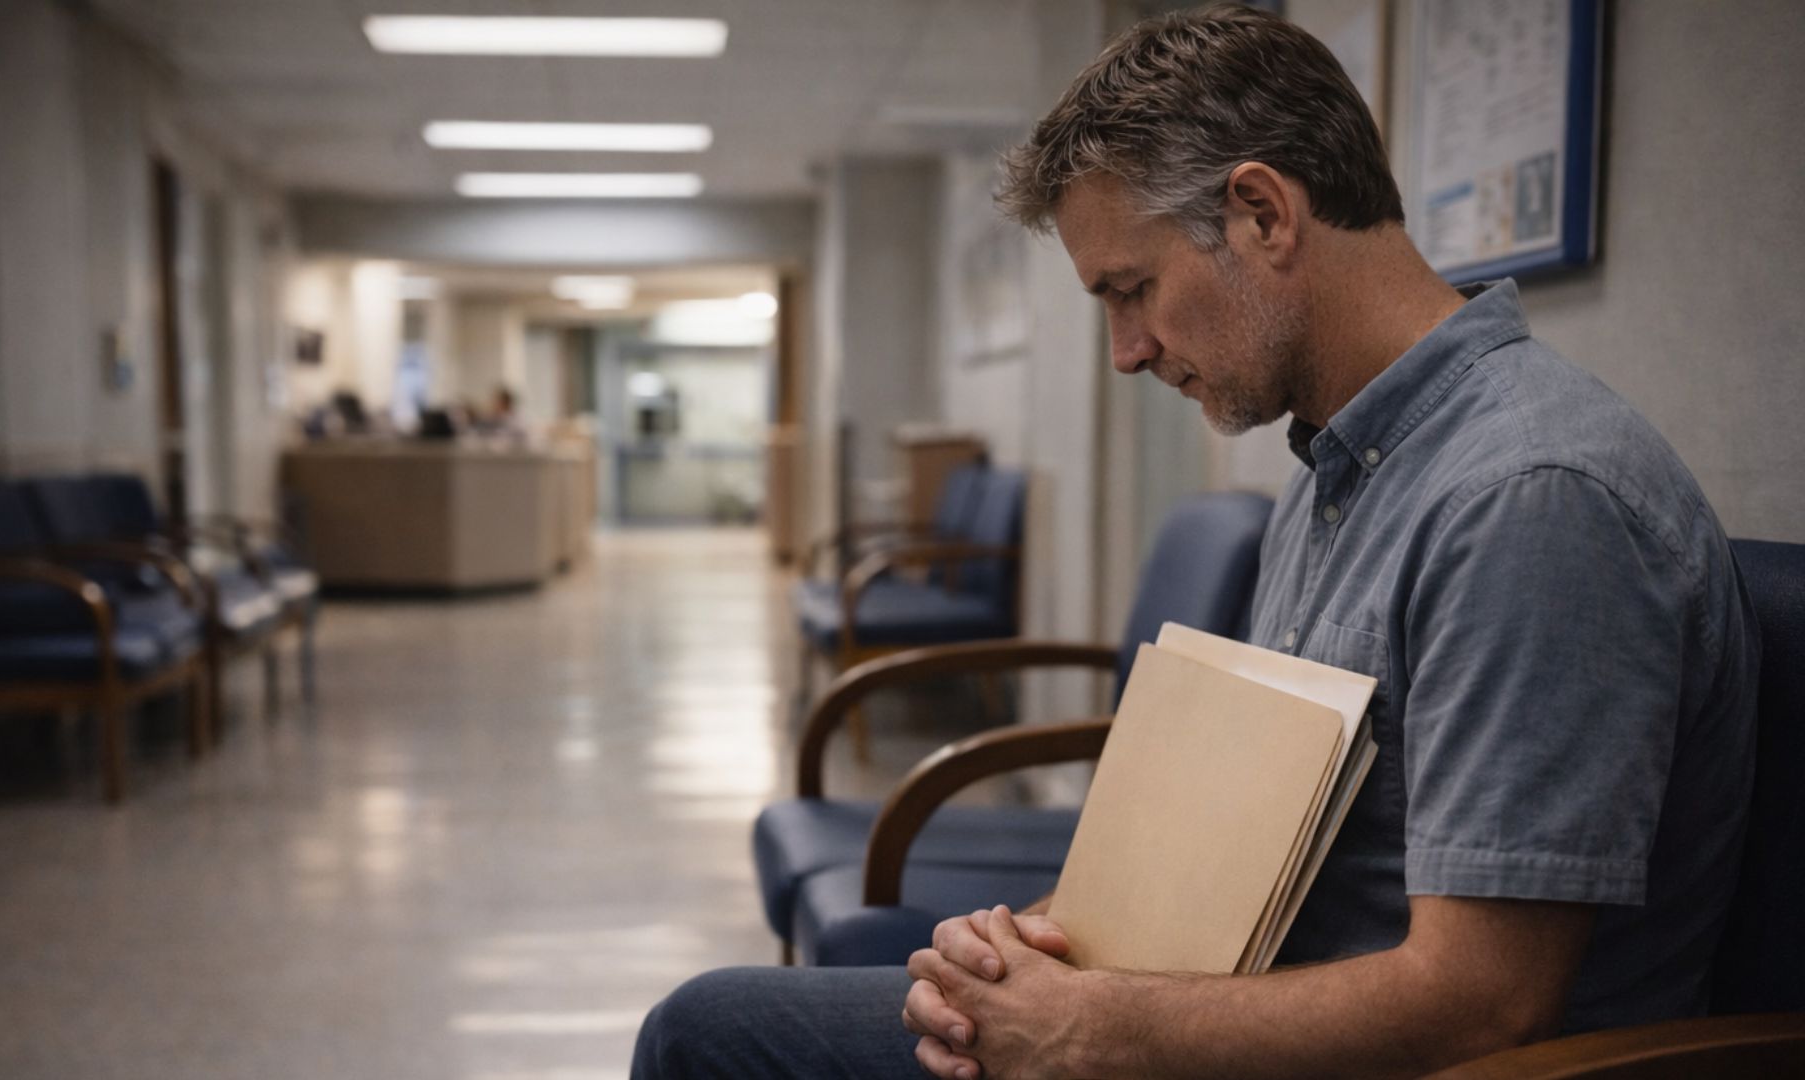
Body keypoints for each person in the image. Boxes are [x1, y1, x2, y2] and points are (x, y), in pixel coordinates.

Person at [632, 5, 1760, 1077]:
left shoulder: (1527, 501)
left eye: (1134, 290)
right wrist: (1024, 957)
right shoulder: (1341, 470)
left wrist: (1093, 1032)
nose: (1126, 352)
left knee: (711, 1040)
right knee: (719, 1024)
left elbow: (1483, 1004)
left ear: (1263, 213)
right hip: (1238, 1003)